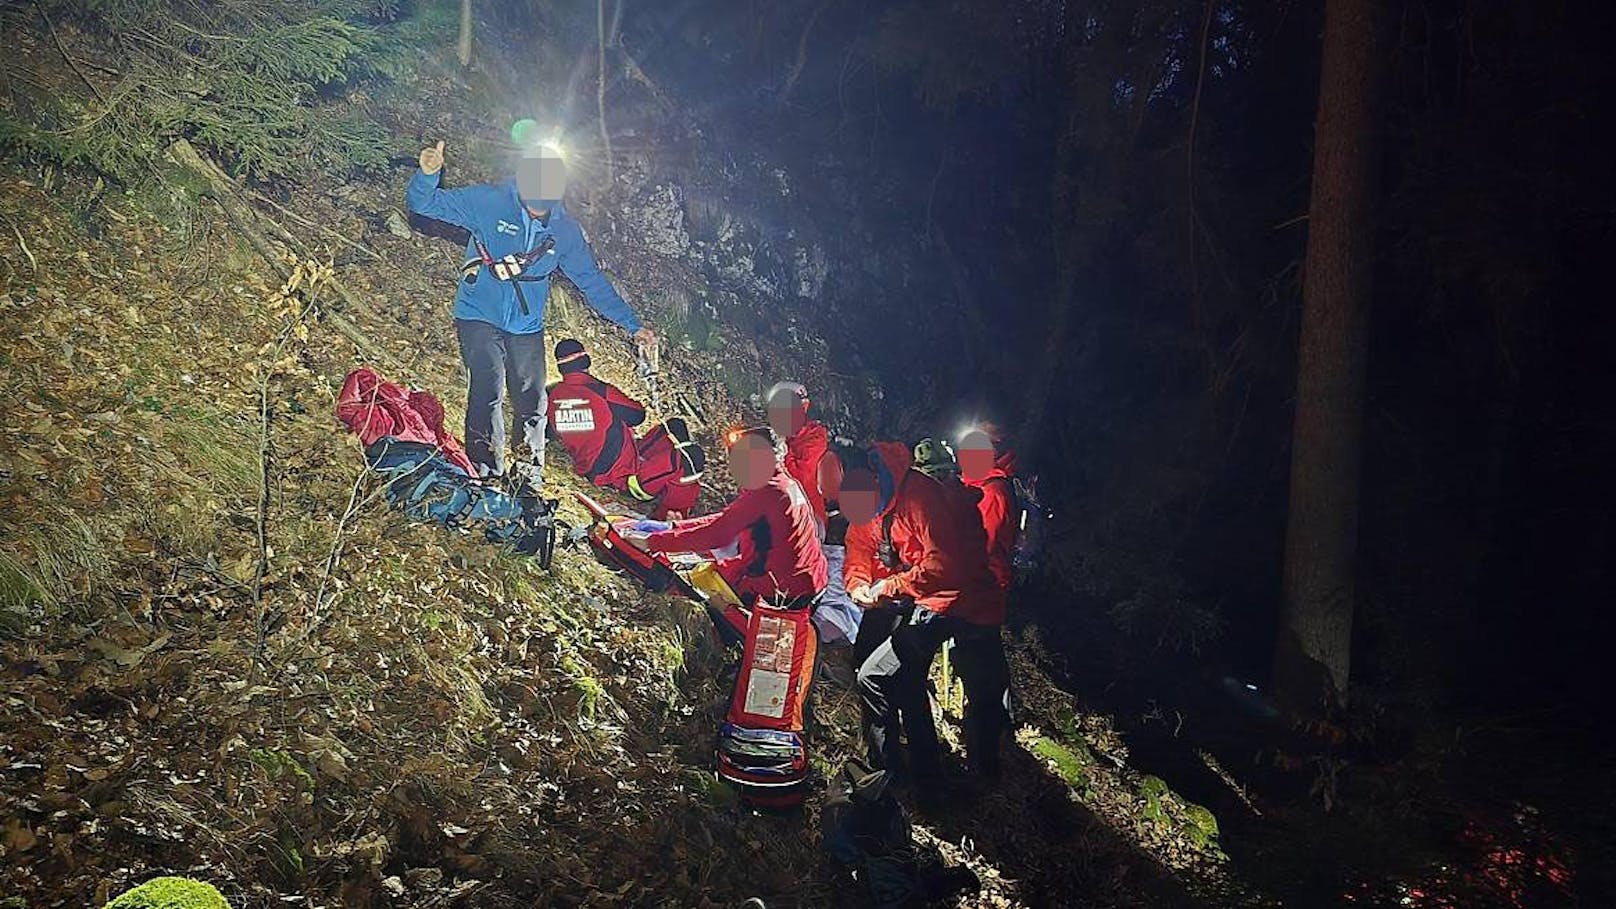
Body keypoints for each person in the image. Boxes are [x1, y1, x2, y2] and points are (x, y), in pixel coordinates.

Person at [406, 138, 656, 482]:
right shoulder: (489, 202)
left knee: (532, 401)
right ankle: (485, 470)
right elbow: (425, 204)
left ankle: (526, 474)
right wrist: (428, 174)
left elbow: (591, 281)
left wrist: (633, 325)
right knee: (488, 386)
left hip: (525, 325)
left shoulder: (564, 232)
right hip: (478, 312)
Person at [836, 438, 1005, 790]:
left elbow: (945, 567)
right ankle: (923, 778)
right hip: (924, 598)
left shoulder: (920, 497)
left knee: (877, 676)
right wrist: (858, 585)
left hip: (954, 601)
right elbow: (859, 546)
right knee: (902, 679)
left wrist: (889, 587)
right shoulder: (871, 497)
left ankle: (891, 776)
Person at [639, 427, 826, 611]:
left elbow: (716, 534)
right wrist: (672, 526)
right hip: (808, 583)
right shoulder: (784, 483)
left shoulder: (767, 492)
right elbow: (727, 520)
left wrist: (651, 543)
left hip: (780, 592)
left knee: (692, 586)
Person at [545, 339, 704, 518]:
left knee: (674, 426)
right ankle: (671, 515)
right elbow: (638, 415)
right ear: (585, 360)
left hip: (596, 466)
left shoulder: (552, 395)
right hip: (625, 479)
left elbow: (548, 431)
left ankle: (670, 483)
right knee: (692, 457)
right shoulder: (601, 392)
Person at [955, 426, 1019, 778]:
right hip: (977, 596)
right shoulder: (976, 487)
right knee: (984, 670)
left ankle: (984, 764)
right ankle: (988, 745)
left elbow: (984, 547)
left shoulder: (992, 493)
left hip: (981, 597)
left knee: (981, 676)